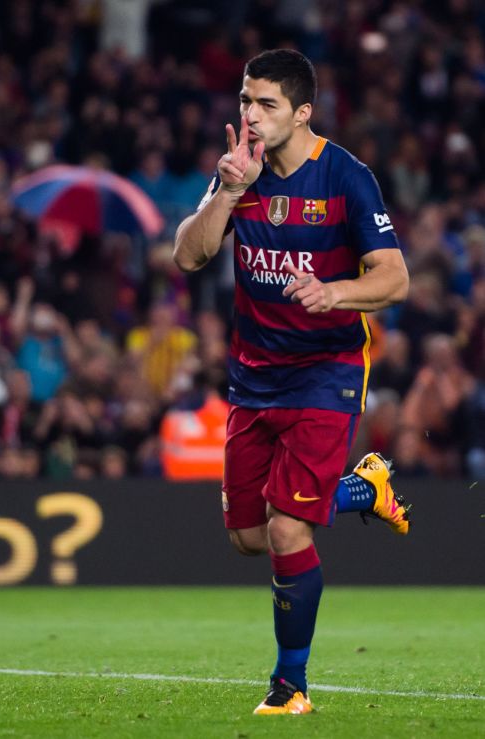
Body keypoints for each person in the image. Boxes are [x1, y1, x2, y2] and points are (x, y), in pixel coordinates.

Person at [172, 49, 413, 716]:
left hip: (326, 371)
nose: (250, 114)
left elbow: (395, 277)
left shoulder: (346, 176)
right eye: (246, 101)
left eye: (266, 103)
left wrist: (335, 292)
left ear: (302, 111)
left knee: (286, 529)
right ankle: (366, 486)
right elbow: (188, 256)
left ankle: (291, 684)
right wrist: (225, 189)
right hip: (254, 375)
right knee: (248, 536)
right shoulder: (238, 173)